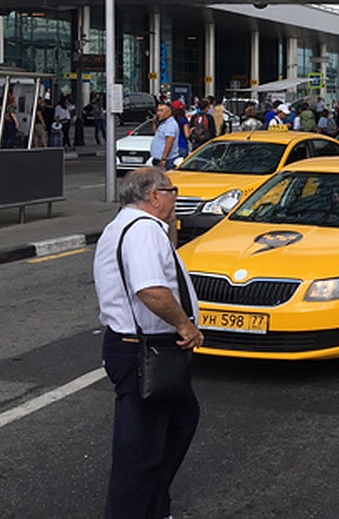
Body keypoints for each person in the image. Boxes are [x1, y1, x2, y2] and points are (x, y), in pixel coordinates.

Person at [94, 167, 204, 519]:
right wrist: (185, 325)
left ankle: (155, 506)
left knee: (179, 421)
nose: (177, 197)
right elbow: (151, 290)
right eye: (173, 191)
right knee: (140, 452)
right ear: (154, 196)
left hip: (144, 348)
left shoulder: (131, 226)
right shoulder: (142, 231)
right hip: (144, 351)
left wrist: (170, 224)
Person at [150, 102, 179, 169]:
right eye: (158, 110)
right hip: (158, 159)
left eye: (161, 111)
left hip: (166, 160)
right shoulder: (164, 123)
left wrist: (164, 159)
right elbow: (157, 135)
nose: (158, 113)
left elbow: (169, 142)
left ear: (169, 113)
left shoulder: (170, 125)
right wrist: (154, 123)